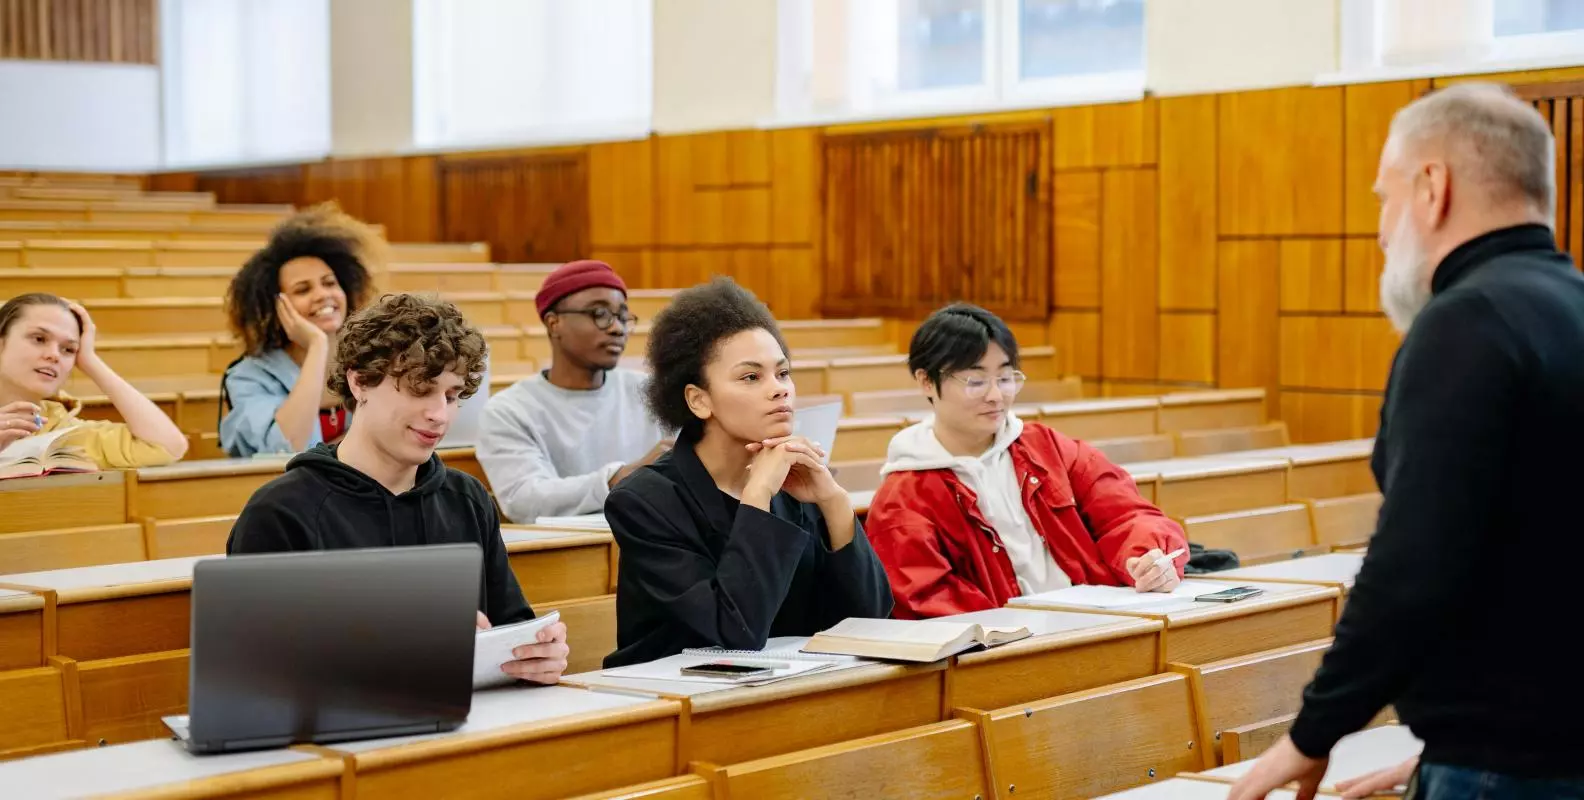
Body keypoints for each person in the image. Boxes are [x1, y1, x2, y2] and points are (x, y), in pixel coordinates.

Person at [1229, 83, 1584, 800]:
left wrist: (1312, 733)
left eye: (1384, 198)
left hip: (1509, 765)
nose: (1384, 230)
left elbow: (1415, 563)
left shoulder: (1468, 321)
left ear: (1433, 187)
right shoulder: (1569, 306)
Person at [227, 294, 569, 685]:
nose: (440, 414)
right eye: (420, 389)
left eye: (452, 395)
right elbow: (252, 674)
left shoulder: (468, 500)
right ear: (359, 382)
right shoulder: (280, 512)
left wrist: (537, 655)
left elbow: (510, 627)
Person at [602, 278, 892, 668]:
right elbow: (736, 634)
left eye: (783, 373)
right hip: (676, 706)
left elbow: (869, 623)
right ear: (698, 400)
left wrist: (834, 502)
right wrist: (757, 497)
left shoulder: (794, 483)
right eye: (751, 377)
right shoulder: (644, 501)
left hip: (786, 692)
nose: (780, 390)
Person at [864, 303, 1187, 619]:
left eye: (1005, 378)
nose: (996, 395)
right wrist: (1017, 628)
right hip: (1010, 650)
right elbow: (923, 597)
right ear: (925, 381)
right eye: (976, 382)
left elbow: (1125, 513)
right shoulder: (905, 495)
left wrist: (1146, 557)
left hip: (1096, 623)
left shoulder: (1048, 449)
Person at [477, 259, 670, 524]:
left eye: (623, 316)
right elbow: (523, 500)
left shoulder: (651, 392)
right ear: (554, 323)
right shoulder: (509, 410)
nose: (617, 328)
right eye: (599, 314)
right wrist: (621, 477)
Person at [219, 203, 376, 458]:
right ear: (275, 306)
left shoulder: (371, 361)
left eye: (329, 283)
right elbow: (286, 449)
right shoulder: (247, 377)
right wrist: (317, 346)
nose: (323, 295)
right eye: (303, 290)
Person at [0, 293, 187, 467]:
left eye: (68, 349)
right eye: (39, 339)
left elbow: (167, 447)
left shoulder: (59, 431)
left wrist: (90, 360)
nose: (54, 355)